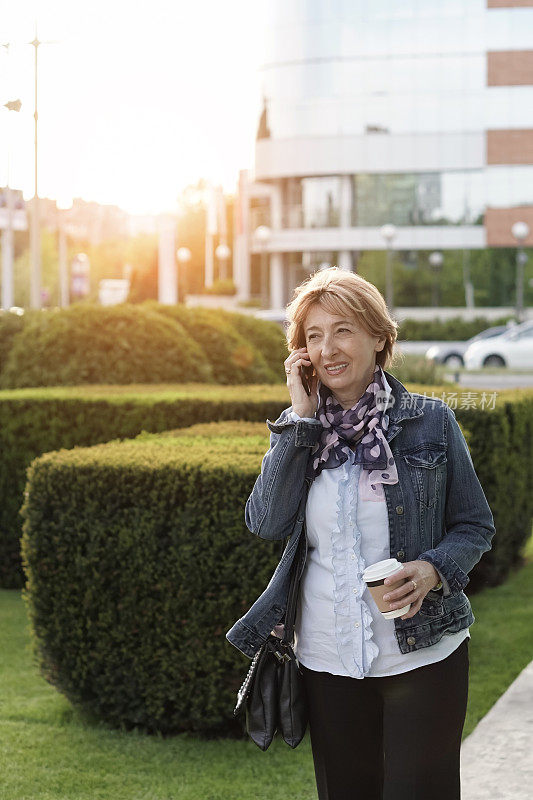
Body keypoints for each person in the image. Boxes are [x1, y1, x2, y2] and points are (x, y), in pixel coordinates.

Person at [226, 267, 495, 800]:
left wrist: (435, 569)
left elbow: (475, 524)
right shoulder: (300, 431)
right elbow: (265, 523)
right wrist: (299, 422)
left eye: (343, 330)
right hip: (327, 657)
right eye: (313, 336)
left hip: (422, 652)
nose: (328, 349)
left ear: (378, 337)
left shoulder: (430, 421)